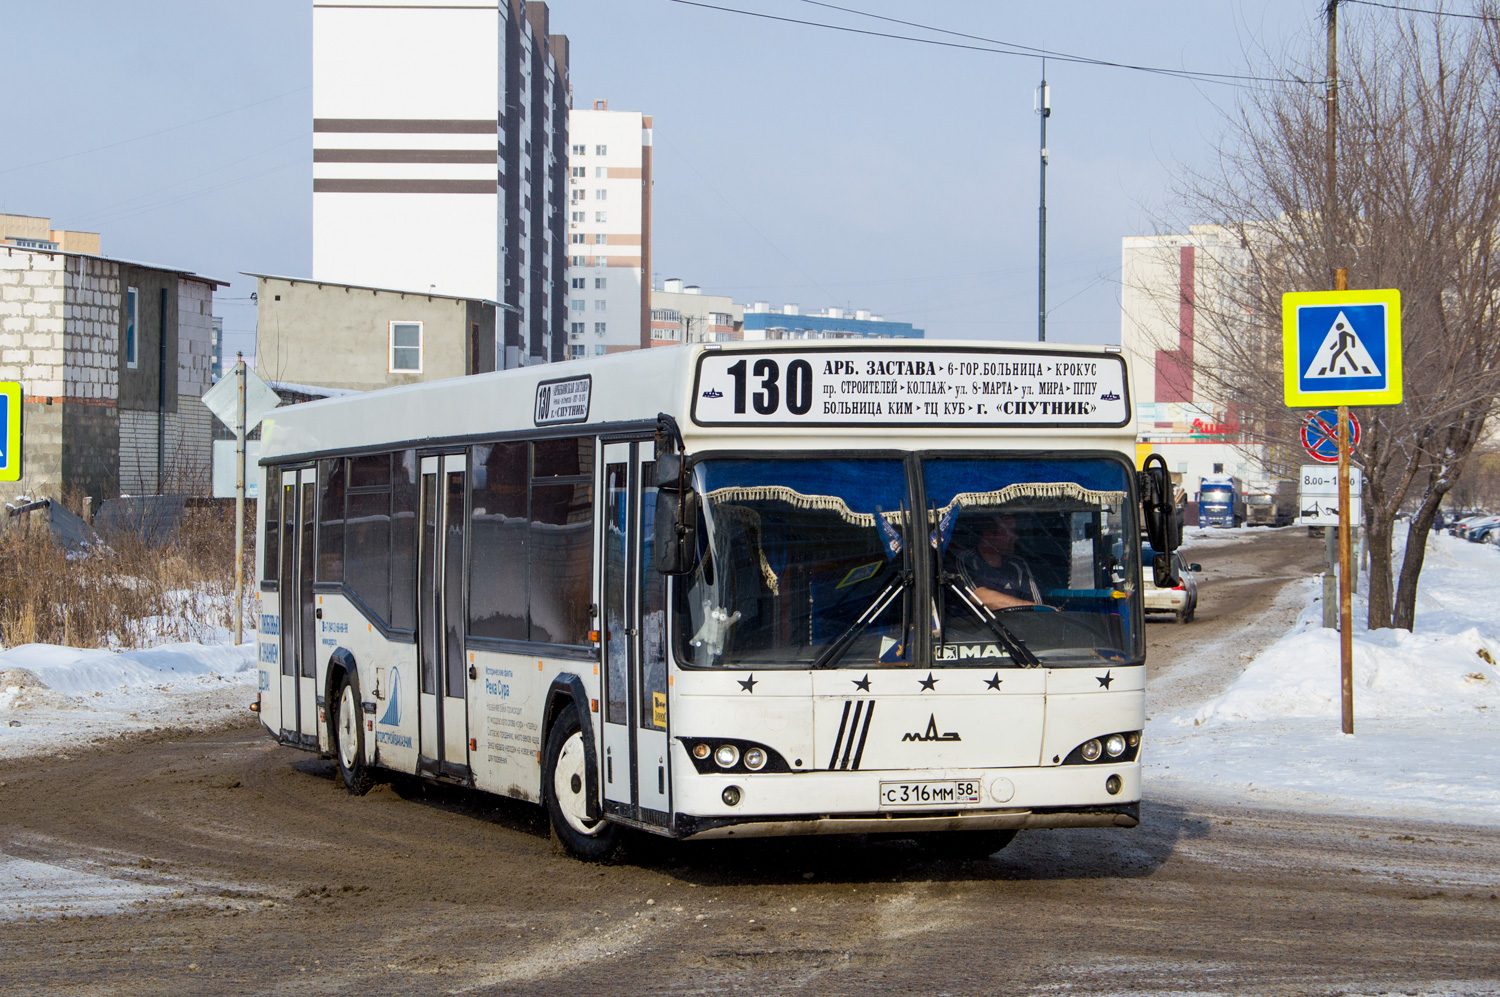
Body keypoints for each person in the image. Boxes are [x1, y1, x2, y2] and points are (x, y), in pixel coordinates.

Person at [951, 512, 1043, 610]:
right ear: (988, 535)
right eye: (1010, 531)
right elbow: (980, 597)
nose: (1015, 537)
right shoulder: (966, 560)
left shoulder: (1017, 564)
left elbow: (1036, 608)